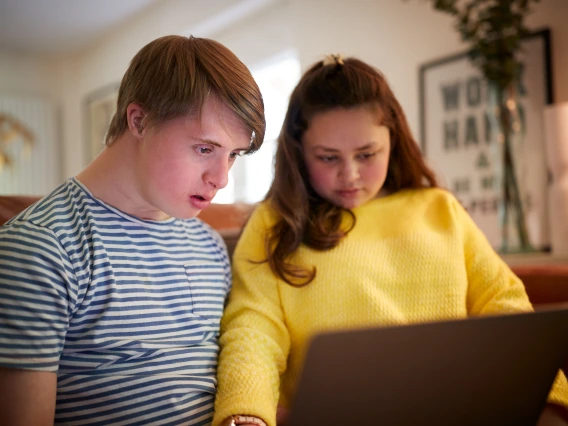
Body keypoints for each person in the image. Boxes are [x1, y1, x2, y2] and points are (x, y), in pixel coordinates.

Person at [212, 55, 568, 426]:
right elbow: (253, 327)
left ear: (393, 141)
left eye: (366, 154)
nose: (349, 175)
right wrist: (246, 411)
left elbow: (504, 303)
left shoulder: (439, 208)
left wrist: (550, 403)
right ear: (299, 153)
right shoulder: (275, 223)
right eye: (328, 157)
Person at [0, 35, 265, 425]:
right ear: (139, 120)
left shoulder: (207, 245)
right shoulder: (39, 248)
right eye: (205, 149)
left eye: (233, 155)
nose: (221, 179)